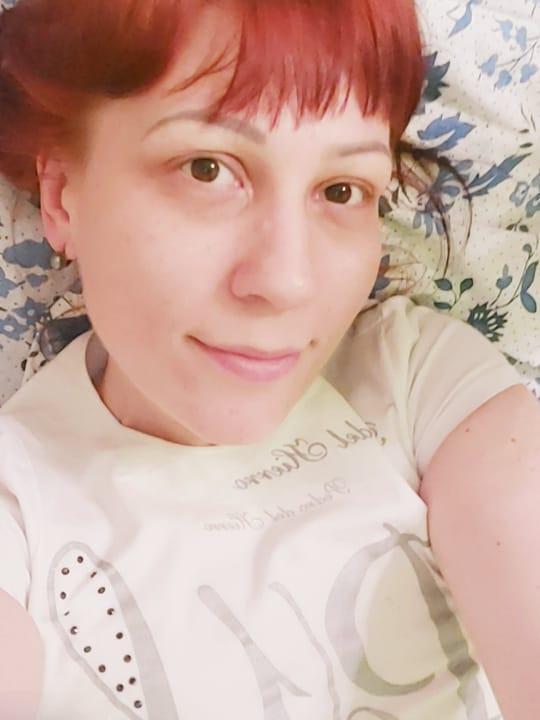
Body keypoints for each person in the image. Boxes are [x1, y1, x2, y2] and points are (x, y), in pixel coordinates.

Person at [0, 0, 539, 718]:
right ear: (63, 196)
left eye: (341, 190)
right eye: (206, 169)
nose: (287, 281)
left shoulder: (420, 380)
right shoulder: (20, 506)